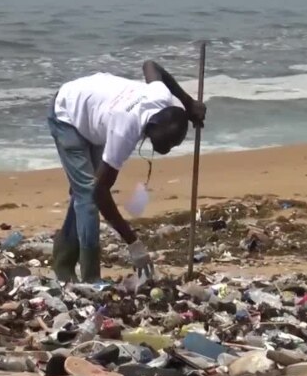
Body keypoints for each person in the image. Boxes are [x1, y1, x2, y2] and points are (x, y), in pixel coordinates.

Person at [48, 60, 206, 283]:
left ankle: (63, 265)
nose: (166, 149)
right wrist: (133, 243)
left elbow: (151, 66)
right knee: (88, 196)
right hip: (67, 113)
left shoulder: (160, 95)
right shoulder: (125, 130)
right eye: (162, 144)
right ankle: (91, 279)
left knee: (82, 193)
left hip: (96, 111)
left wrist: (188, 103)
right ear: (149, 128)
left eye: (171, 145)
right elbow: (99, 193)